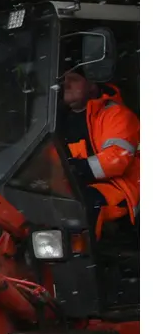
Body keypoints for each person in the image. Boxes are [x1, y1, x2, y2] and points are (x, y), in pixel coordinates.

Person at [59, 70, 138, 237]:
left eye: (73, 79)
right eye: (63, 80)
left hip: (119, 188)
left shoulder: (116, 114)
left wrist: (72, 169)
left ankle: (79, 257)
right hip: (77, 184)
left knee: (82, 203)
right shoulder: (57, 121)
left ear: (92, 85)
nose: (66, 84)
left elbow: (116, 160)